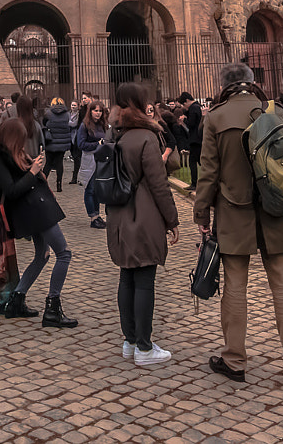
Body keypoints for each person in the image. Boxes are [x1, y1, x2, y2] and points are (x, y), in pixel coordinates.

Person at [193, 63, 283, 386]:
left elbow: (207, 173)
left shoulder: (216, 117)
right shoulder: (275, 111)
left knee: (235, 287)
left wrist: (202, 215)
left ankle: (234, 360)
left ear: (223, 86)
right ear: (252, 83)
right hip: (276, 210)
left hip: (234, 209)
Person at [105, 82, 181, 366]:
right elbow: (159, 184)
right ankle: (145, 348)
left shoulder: (115, 134)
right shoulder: (146, 137)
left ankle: (130, 340)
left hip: (119, 215)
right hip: (144, 215)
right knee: (145, 281)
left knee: (127, 277)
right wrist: (172, 220)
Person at [0, 117, 77, 327]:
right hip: (34, 211)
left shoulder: (8, 153)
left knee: (42, 255)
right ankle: (52, 308)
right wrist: (33, 172)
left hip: (36, 207)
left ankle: (17, 300)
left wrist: (33, 166)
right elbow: (11, 190)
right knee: (64, 254)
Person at [75, 99, 108, 228]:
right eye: (95, 110)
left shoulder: (103, 124)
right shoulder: (84, 126)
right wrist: (97, 144)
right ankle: (93, 217)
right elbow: (81, 144)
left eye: (100, 111)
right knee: (90, 188)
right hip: (90, 160)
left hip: (101, 160)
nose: (98, 113)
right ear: (91, 111)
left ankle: (97, 215)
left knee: (97, 190)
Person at [41, 96, 73, 192]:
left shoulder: (48, 113)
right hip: (62, 143)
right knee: (59, 163)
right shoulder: (67, 114)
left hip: (50, 141)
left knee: (48, 163)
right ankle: (59, 184)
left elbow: (44, 123)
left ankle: (42, 182)